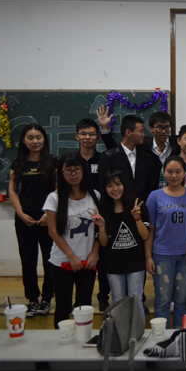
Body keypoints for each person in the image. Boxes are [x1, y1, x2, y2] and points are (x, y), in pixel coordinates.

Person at [43, 153, 100, 328]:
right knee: (63, 305)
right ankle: (61, 341)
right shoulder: (54, 198)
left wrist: (94, 253)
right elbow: (53, 231)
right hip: (62, 262)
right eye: (68, 170)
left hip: (88, 262)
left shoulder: (95, 196)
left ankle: (83, 339)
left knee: (85, 306)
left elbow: (101, 228)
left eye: (77, 169)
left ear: (84, 171)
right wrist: (71, 256)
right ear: (61, 173)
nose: (73, 174)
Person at [9, 124, 58, 318]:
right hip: (25, 217)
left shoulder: (53, 161)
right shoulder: (18, 162)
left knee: (49, 260)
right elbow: (13, 190)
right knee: (28, 262)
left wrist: (47, 213)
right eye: (30, 138)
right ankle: (32, 299)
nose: (35, 141)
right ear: (23, 140)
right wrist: (21, 214)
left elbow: (58, 189)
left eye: (38, 137)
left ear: (44, 139)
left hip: (48, 217)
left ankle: (47, 299)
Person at [145, 155, 186, 329]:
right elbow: (150, 230)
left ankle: (180, 337)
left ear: (184, 174)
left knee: (182, 300)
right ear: (164, 173)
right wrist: (148, 257)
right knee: (163, 300)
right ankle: (162, 337)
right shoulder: (155, 196)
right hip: (162, 255)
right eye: (170, 171)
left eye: (178, 172)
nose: (174, 176)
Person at [93, 170, 149, 321]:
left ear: (125, 185)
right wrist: (102, 226)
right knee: (118, 303)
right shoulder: (103, 209)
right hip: (113, 265)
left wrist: (137, 218)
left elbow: (145, 235)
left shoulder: (136, 206)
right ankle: (121, 334)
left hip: (135, 264)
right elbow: (104, 242)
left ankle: (137, 333)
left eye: (118, 184)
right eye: (109, 186)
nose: (114, 189)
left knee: (136, 302)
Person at [75, 118, 110, 312]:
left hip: (100, 215)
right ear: (77, 136)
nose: (87, 137)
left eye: (91, 134)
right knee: (79, 257)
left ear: (97, 137)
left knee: (102, 259)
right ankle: (80, 299)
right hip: (77, 215)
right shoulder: (72, 160)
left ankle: (103, 297)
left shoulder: (104, 158)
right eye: (83, 134)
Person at [97, 107, 186, 160]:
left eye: (167, 127)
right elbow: (117, 149)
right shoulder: (143, 143)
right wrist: (105, 129)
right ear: (151, 128)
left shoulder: (176, 142)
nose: (164, 131)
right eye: (160, 127)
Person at [98, 114, 160, 204]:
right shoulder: (109, 156)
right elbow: (104, 185)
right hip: (118, 207)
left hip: (142, 207)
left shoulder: (147, 158)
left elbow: (152, 186)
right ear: (128, 132)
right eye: (140, 131)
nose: (143, 135)